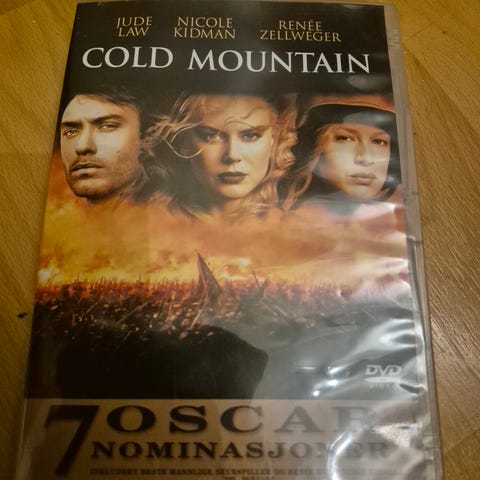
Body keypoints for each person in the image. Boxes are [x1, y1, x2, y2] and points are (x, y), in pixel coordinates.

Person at [147, 93, 297, 222]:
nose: (232, 155)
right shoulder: (150, 225)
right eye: (211, 136)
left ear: (273, 140)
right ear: (184, 143)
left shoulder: (295, 231)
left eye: (250, 136)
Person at [292, 94, 401, 211]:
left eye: (378, 141)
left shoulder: (395, 217)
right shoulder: (283, 219)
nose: (366, 158)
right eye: (345, 138)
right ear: (313, 146)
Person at [59, 86, 162, 206]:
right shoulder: (63, 213)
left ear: (147, 136)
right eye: (71, 132)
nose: (82, 147)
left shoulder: (171, 214)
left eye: (107, 126)